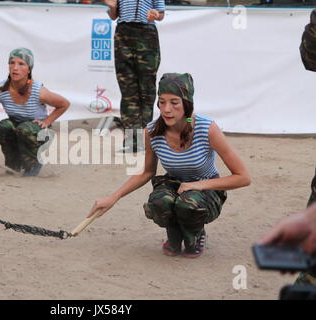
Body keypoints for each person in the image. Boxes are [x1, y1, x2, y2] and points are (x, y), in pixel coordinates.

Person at [87, 73, 250, 258]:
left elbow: (243, 177)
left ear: (187, 104)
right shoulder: (152, 131)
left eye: (174, 102)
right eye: (162, 102)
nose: (167, 109)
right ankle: (174, 235)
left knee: (188, 206)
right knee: (159, 202)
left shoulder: (207, 129)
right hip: (174, 186)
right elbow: (147, 172)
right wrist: (113, 197)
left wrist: (198, 185)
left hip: (205, 191)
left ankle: (194, 235)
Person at [0, 48, 70, 176]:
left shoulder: (38, 91)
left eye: (21, 64)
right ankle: (13, 164)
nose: (15, 67)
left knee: (24, 129)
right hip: (18, 127)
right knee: (4, 127)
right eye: (12, 63)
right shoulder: (1, 90)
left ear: (29, 69)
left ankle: (33, 163)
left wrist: (47, 121)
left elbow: (64, 104)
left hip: (38, 132)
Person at [104, 0, 165, 153]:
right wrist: (112, 7)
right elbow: (113, 16)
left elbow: (161, 14)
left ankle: (146, 139)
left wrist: (156, 15)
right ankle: (131, 141)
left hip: (147, 33)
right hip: (123, 33)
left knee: (147, 91)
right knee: (128, 91)